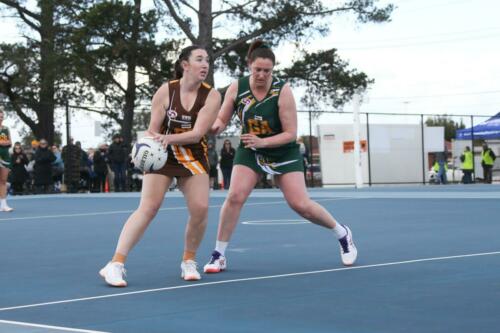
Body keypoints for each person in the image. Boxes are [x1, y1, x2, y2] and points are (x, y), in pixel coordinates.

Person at [203, 40, 357, 274]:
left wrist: (263, 141)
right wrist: (214, 127)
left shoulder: (282, 91)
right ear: (249, 66)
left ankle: (342, 233)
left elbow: (290, 133)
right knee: (234, 196)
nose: (262, 74)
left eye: (267, 70)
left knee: (300, 205)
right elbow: (222, 119)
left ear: (273, 70)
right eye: (258, 70)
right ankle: (219, 255)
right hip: (251, 149)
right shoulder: (237, 88)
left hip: (282, 150)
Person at [99, 45, 221, 287]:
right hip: (162, 154)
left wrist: (168, 138)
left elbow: (197, 135)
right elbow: (153, 130)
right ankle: (115, 264)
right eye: (199, 59)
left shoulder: (212, 96)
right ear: (185, 65)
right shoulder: (166, 91)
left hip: (192, 154)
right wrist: (144, 148)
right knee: (148, 207)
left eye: (207, 60)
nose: (205, 64)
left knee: (200, 208)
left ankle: (188, 260)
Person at [0, 109, 13, 211]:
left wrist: (3, 143)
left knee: (3, 180)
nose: (1, 118)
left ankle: (4, 205)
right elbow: (5, 142)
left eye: (2, 116)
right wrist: (3, 142)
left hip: (4, 156)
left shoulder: (6, 129)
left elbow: (9, 143)